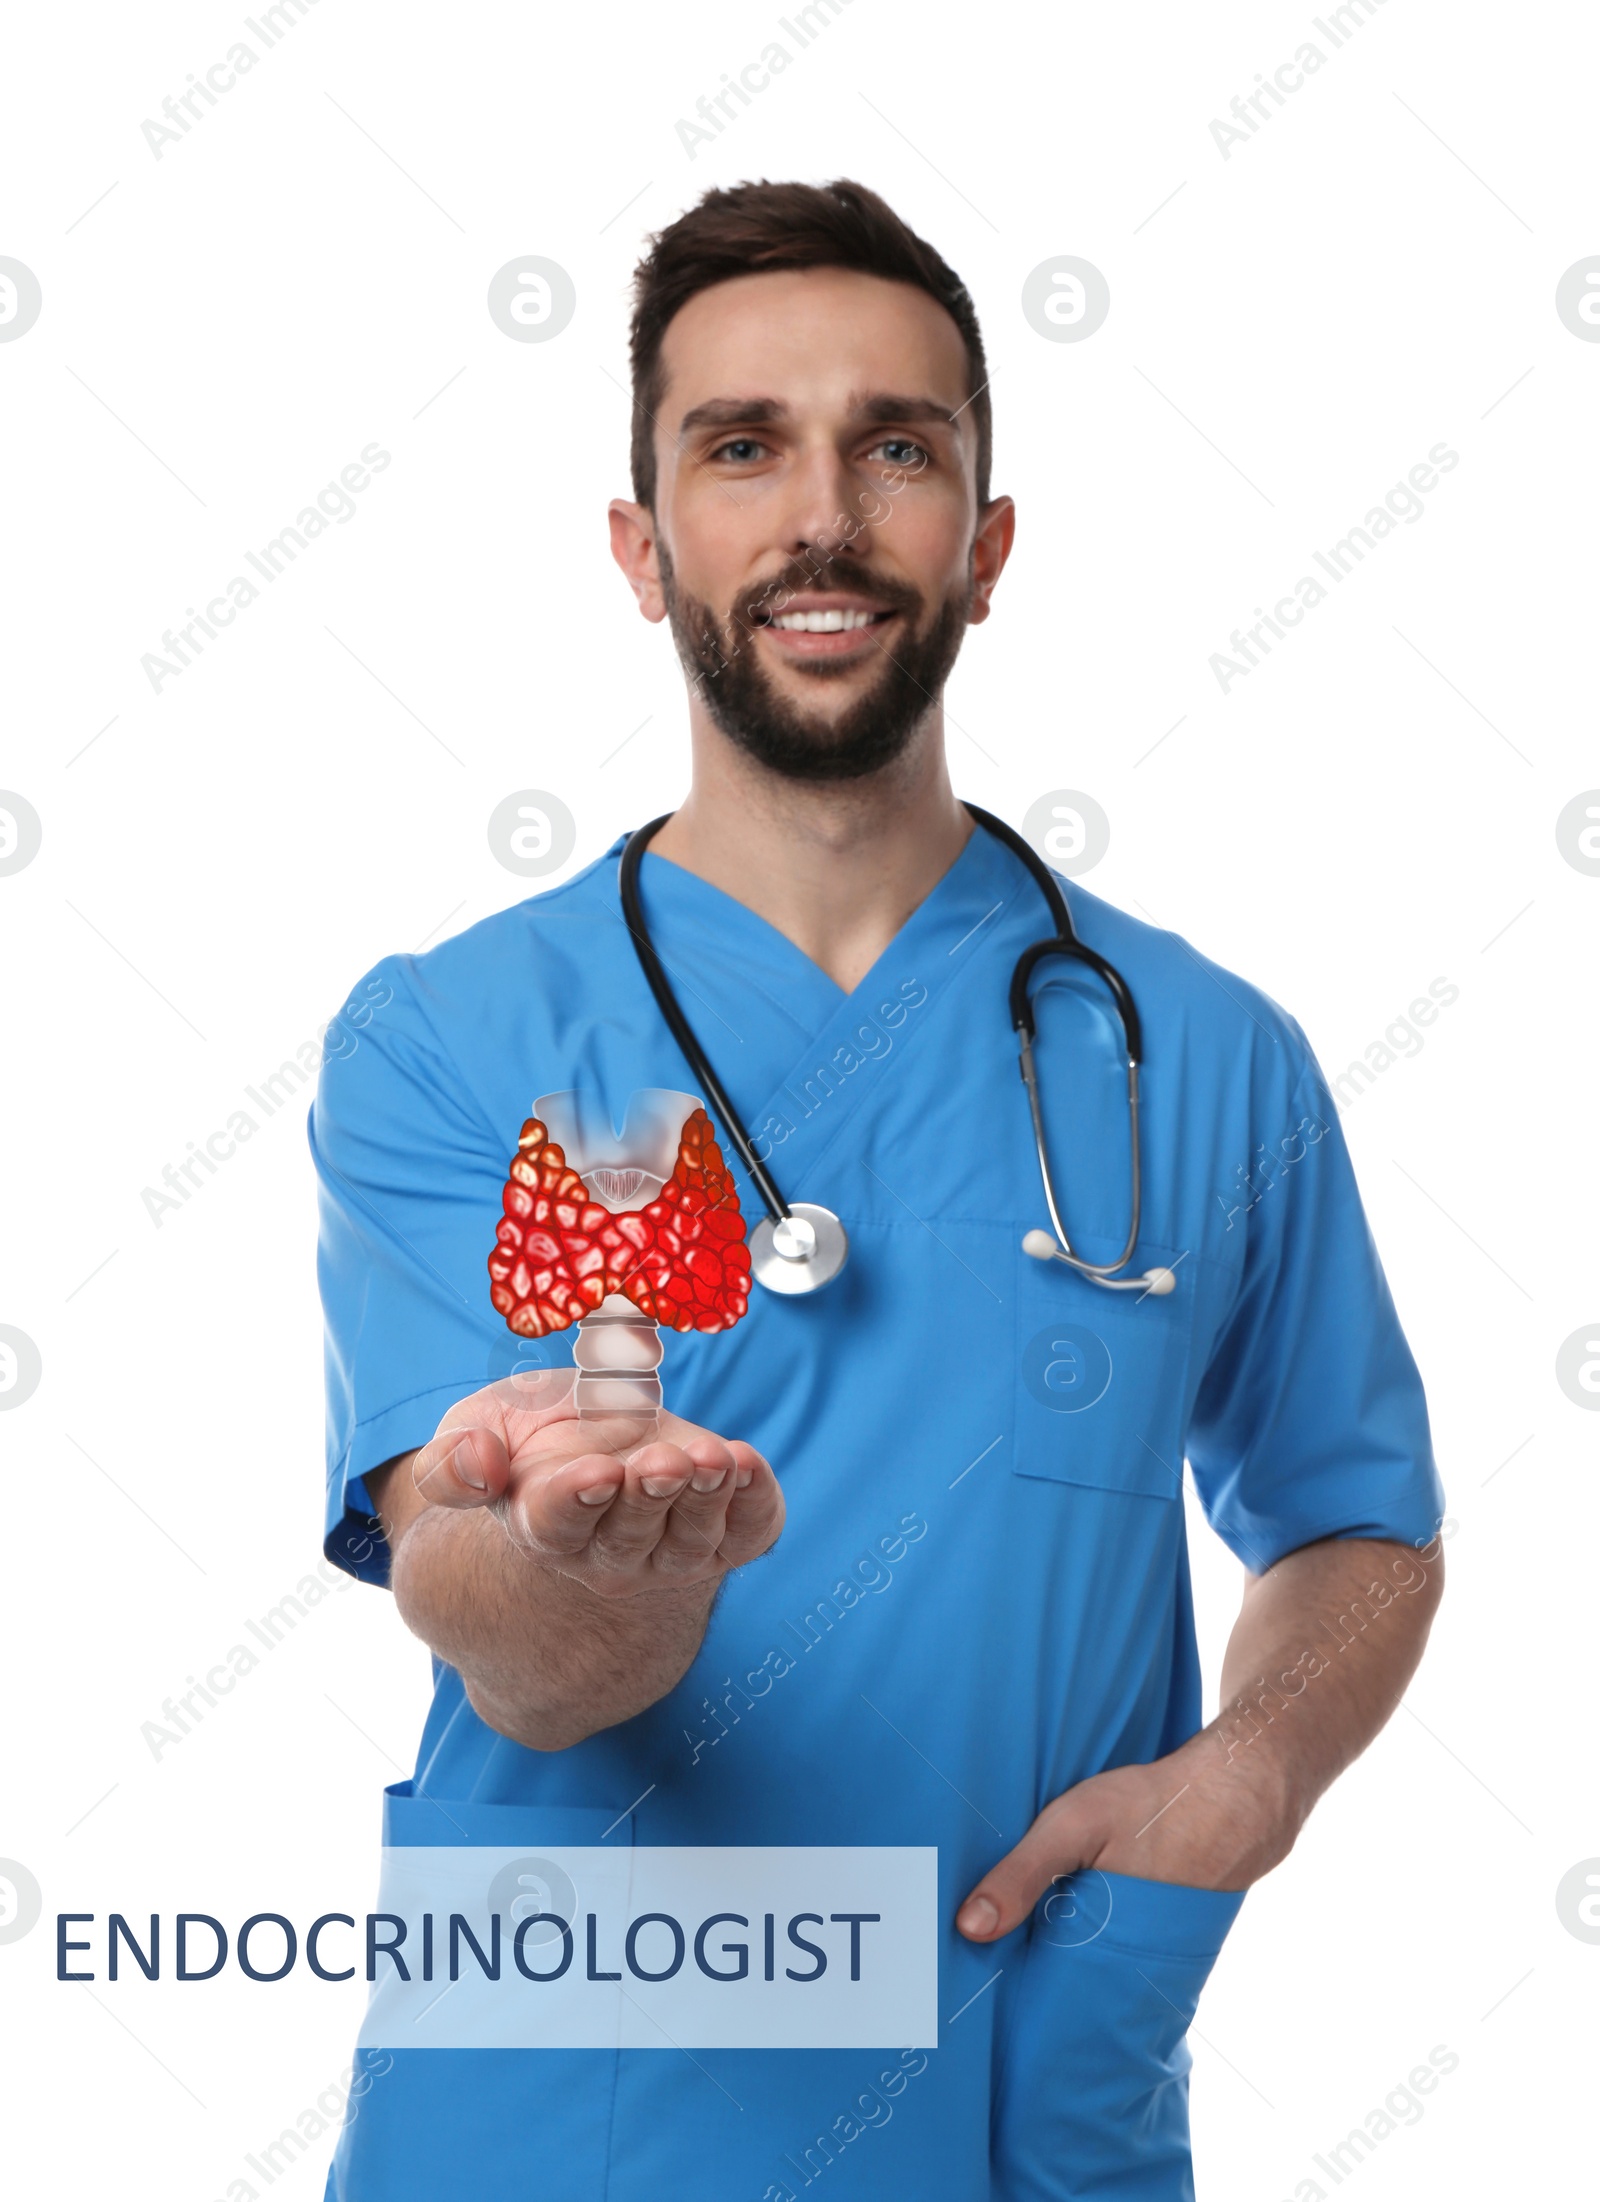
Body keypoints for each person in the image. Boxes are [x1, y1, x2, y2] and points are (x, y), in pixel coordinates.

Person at [311, 178, 1444, 2201]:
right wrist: (586, 1576)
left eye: (893, 448)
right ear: (640, 548)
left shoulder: (1197, 1051)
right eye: (738, 448)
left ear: (984, 548)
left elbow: (1356, 1521)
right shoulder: (450, 1041)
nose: (818, 516)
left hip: (1024, 2086)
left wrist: (1250, 1769)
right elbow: (475, 1602)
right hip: (566, 2120)